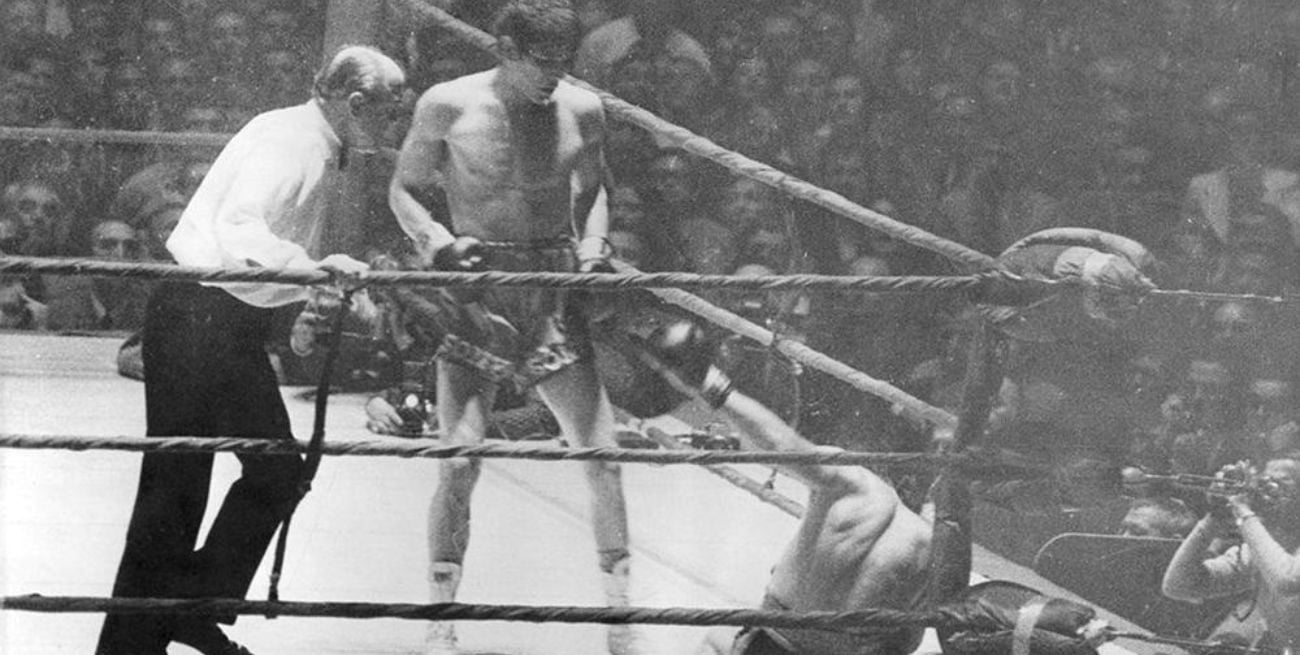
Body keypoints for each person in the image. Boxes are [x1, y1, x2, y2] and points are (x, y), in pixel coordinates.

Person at [95, 45, 406, 655]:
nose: (394, 126)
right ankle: (144, 638)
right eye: (390, 113)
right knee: (182, 483)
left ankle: (189, 609)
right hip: (201, 313)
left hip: (221, 317)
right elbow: (240, 227)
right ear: (355, 103)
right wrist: (315, 268)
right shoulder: (295, 143)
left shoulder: (301, 135)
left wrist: (299, 292)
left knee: (261, 470)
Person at [387, 2, 636, 653]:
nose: (554, 75)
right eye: (541, 61)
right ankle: (441, 616)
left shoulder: (584, 109)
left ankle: (621, 617)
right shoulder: (448, 104)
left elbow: (593, 189)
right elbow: (403, 188)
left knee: (603, 457)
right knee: (460, 458)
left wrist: (594, 246)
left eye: (563, 61)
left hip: (552, 288)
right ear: (506, 49)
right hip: (480, 290)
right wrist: (438, 243)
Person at [640, 324, 1111, 655]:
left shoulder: (856, 488)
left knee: (717, 641)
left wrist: (712, 386)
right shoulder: (938, 550)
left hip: (767, 640)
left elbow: (784, 446)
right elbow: (922, 637)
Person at [1162, 454, 1300, 652]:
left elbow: (1286, 579)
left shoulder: (1272, 557)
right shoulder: (1259, 553)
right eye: (1263, 483)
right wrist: (1215, 517)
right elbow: (1179, 586)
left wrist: (1241, 509)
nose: (1264, 494)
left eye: (1279, 486)